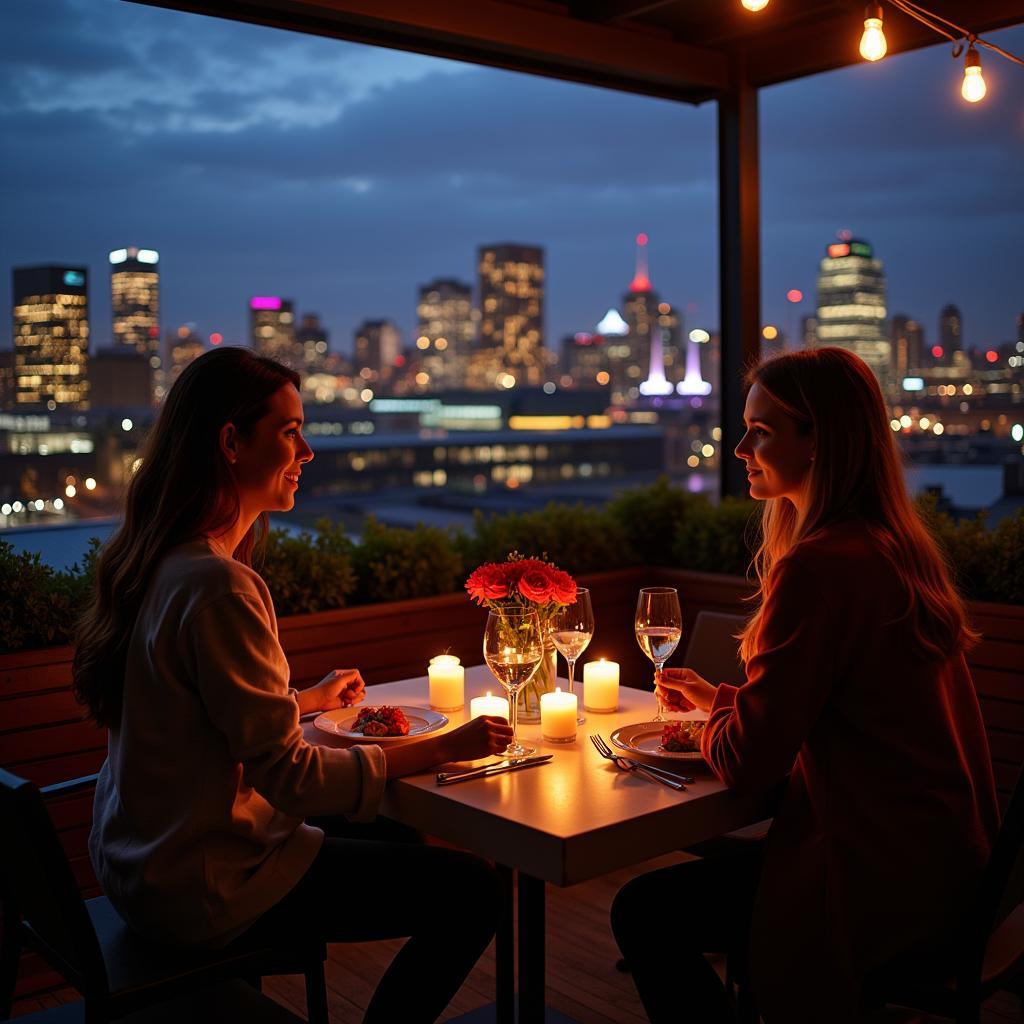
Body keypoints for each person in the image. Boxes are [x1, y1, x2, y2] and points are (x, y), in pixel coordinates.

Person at [74, 347, 513, 1024]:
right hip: (204, 884)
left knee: (400, 845)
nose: (307, 451)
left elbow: (192, 715)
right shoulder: (218, 585)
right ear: (230, 442)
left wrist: (303, 702)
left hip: (142, 865)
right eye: (289, 431)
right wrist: (442, 746)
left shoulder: (158, 563)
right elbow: (295, 783)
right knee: (474, 893)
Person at [610, 347, 998, 1023]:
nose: (739, 448)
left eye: (761, 431)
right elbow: (852, 711)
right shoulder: (891, 546)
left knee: (643, 912)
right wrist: (721, 700)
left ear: (820, 439)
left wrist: (723, 728)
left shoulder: (817, 569)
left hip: (869, 876)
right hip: (946, 866)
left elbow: (749, 761)